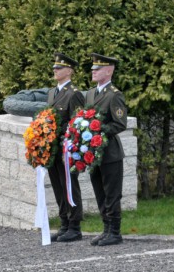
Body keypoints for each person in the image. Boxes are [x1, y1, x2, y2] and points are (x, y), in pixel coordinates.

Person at [85, 53, 128, 247]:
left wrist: (98, 131)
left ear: (109, 71)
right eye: (93, 68)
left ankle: (115, 232)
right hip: (93, 153)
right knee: (99, 191)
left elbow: (120, 123)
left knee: (112, 193)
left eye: (98, 68)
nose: (93, 71)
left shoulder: (114, 95)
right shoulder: (90, 94)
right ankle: (106, 229)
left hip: (110, 152)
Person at [46, 52, 85, 242]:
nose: (55, 70)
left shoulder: (74, 94)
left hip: (66, 149)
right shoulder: (52, 93)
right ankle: (64, 223)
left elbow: (77, 123)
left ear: (69, 71)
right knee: (58, 185)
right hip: (52, 148)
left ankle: (74, 226)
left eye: (59, 68)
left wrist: (70, 146)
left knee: (69, 186)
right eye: (54, 67)